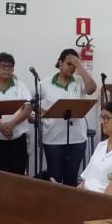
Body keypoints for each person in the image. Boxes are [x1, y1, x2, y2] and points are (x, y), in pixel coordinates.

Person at [38, 48, 97, 186]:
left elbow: (92, 89)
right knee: (55, 179)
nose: (72, 68)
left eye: (74, 65)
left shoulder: (79, 81)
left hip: (77, 138)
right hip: (53, 138)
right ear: (60, 63)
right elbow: (33, 105)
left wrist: (80, 67)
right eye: (69, 64)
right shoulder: (44, 84)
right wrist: (41, 112)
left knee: (71, 178)